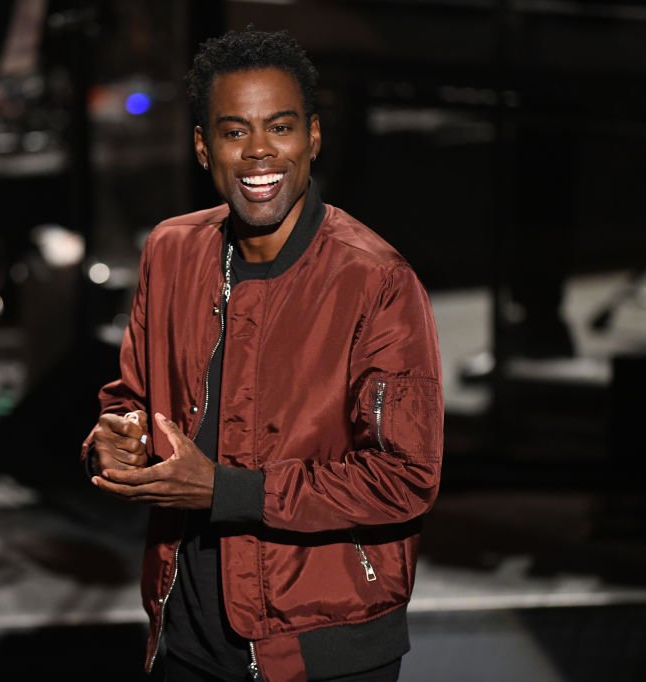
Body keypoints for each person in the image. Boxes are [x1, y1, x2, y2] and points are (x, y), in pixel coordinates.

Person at [82, 28, 443, 681]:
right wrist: (114, 440)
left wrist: (226, 490)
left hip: (323, 646)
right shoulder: (170, 251)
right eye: (233, 131)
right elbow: (130, 399)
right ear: (202, 147)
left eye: (279, 128)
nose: (258, 153)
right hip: (184, 633)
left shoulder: (374, 280)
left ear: (313, 136)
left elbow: (406, 477)